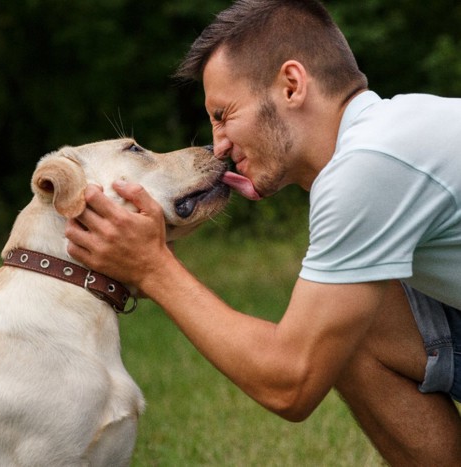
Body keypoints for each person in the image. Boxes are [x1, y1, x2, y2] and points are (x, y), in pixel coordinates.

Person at [64, 0, 461, 464]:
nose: (219, 145)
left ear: (292, 85)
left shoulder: (368, 167)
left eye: (223, 114)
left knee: (327, 340)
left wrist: (153, 268)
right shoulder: (396, 134)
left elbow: (290, 382)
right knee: (347, 322)